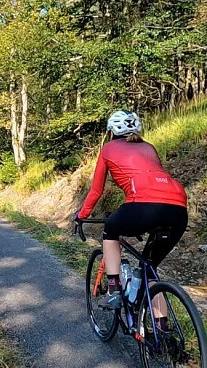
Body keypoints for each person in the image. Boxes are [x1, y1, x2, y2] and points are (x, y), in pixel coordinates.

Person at [73, 110, 188, 332]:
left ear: (111, 131)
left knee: (110, 230)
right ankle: (162, 330)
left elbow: (96, 191)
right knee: (149, 268)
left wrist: (82, 214)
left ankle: (114, 289)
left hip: (143, 205)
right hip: (178, 209)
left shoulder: (108, 148)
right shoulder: (149, 147)